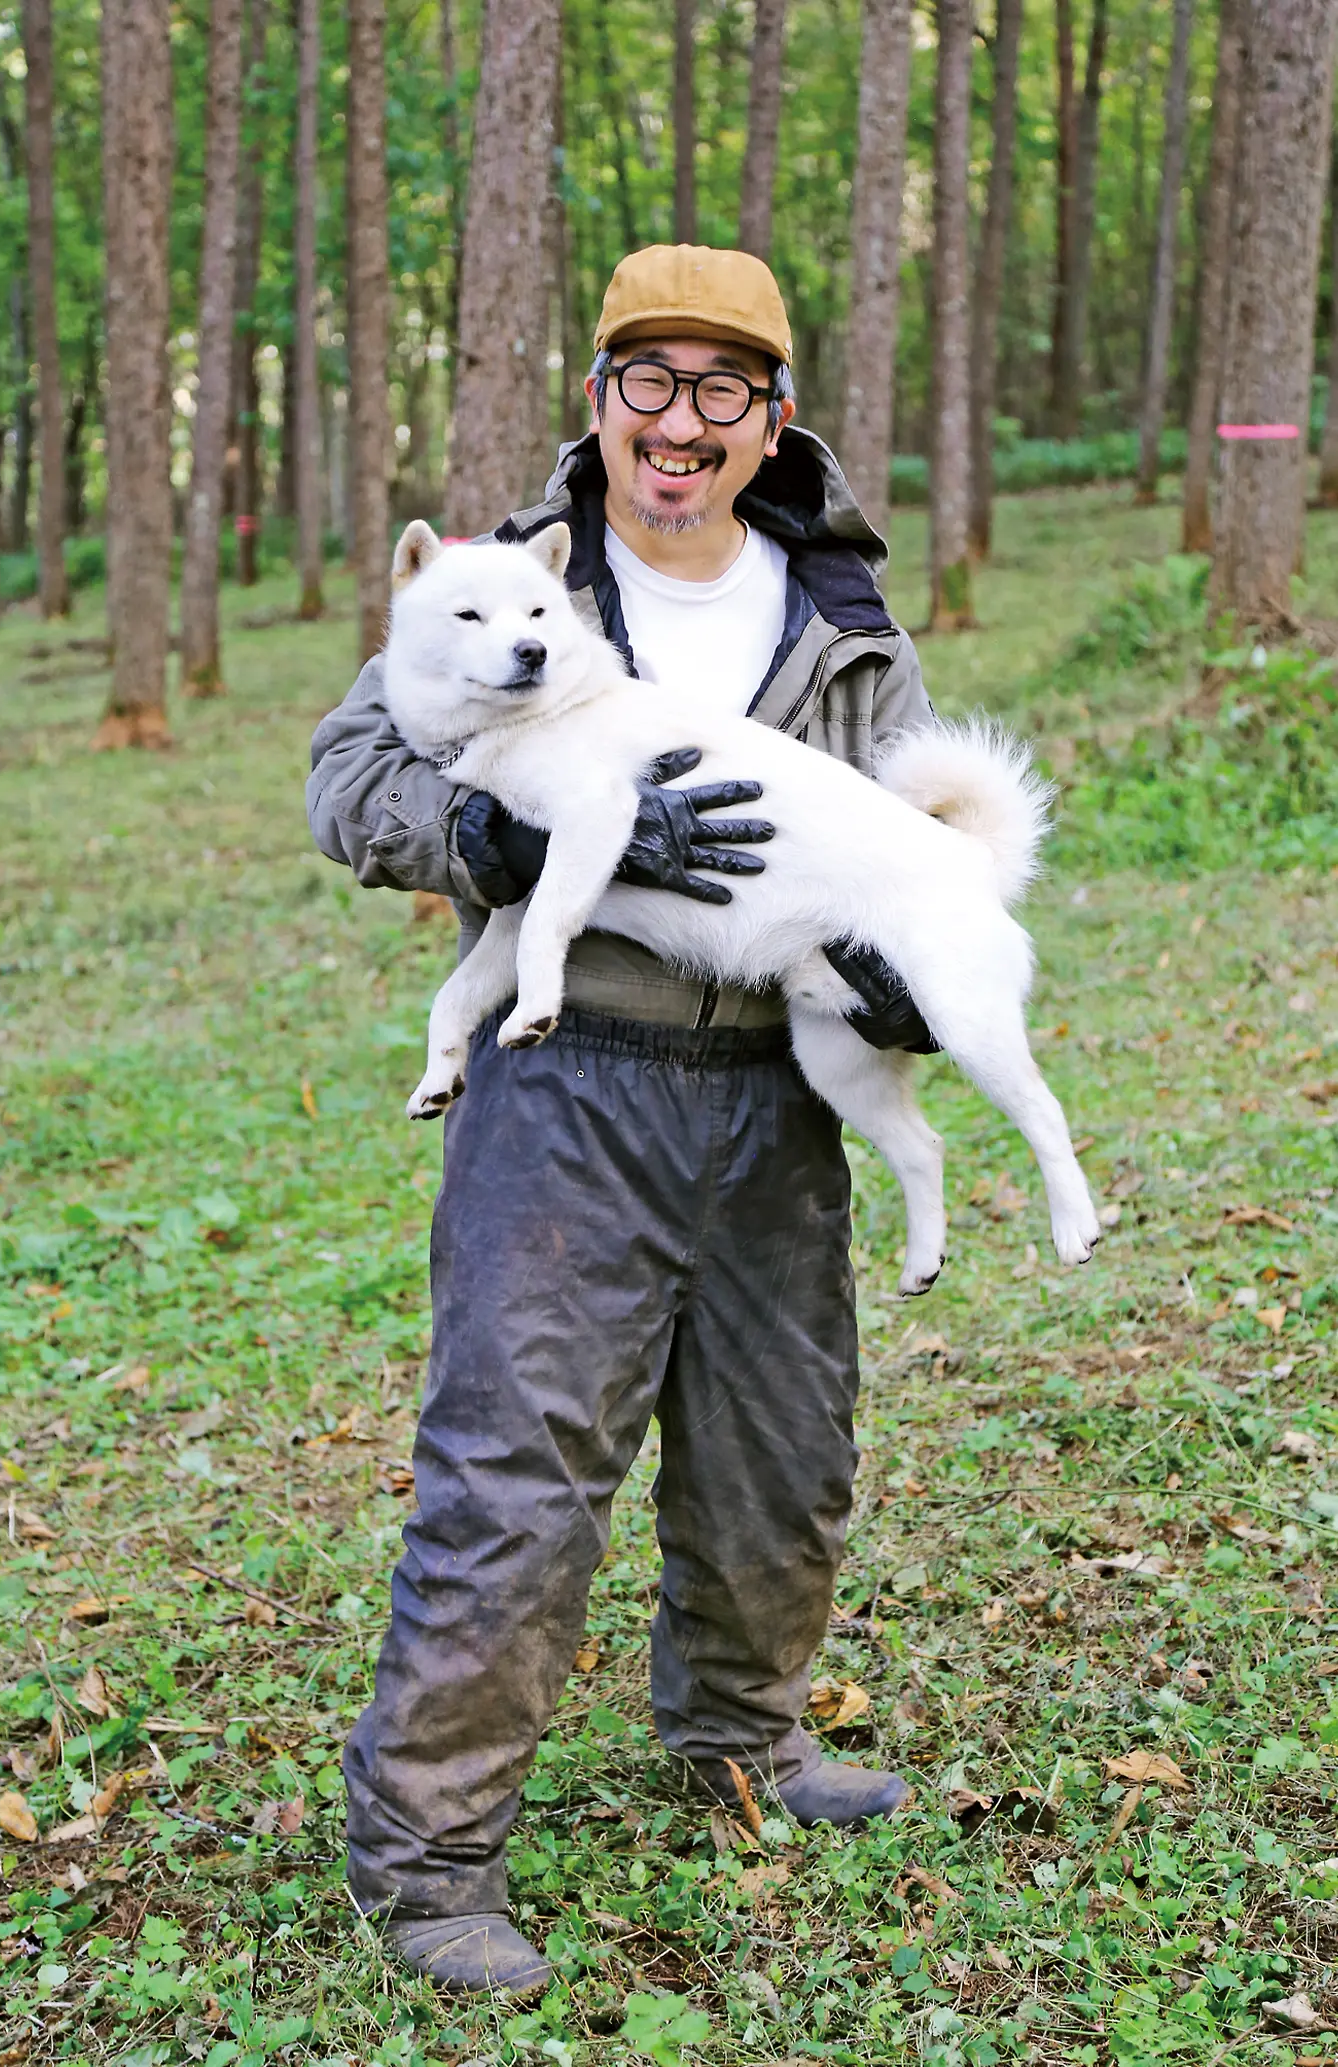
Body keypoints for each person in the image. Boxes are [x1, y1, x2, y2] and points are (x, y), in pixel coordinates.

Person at [306, 245, 937, 1998]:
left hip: (778, 1094)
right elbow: (348, 780)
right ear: (599, 401)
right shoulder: (507, 580)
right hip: (567, 1074)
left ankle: (743, 1735)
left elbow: (904, 827)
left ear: (768, 422)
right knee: (516, 1474)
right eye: (645, 381)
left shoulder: (841, 617)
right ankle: (430, 1860)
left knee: (781, 1454)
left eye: (719, 389)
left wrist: (902, 983)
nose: (678, 421)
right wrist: (498, 849)